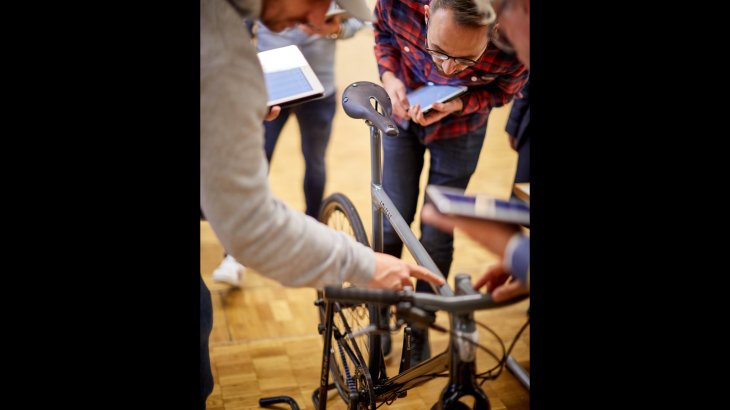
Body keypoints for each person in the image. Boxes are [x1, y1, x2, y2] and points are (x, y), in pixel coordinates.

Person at [200, 1, 444, 408]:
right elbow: (251, 227)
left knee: (314, 164)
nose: (318, 24)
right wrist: (366, 264)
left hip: (313, 92)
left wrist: (220, 121)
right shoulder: (222, 46)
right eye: (319, 3)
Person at [372, 0, 528, 365]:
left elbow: (504, 91)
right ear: (425, 13)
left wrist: (459, 104)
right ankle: (381, 314)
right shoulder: (397, 4)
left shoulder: (514, 41)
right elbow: (381, 32)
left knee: (437, 233)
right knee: (391, 220)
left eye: (464, 61)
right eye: (438, 51)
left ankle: (420, 324)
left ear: (493, 32)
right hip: (402, 115)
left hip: (462, 130)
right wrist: (390, 79)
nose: (445, 69)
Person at [209, 2, 368, 288]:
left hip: (319, 86)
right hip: (267, 84)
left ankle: (316, 238)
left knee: (315, 162)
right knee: (259, 159)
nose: (315, 16)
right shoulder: (221, 32)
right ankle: (233, 255)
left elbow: (358, 23)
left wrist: (337, 29)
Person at [422, 0, 531, 302]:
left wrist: (516, 251)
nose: (508, 47)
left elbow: (510, 87)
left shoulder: (511, 56)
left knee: (436, 236)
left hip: (464, 132)